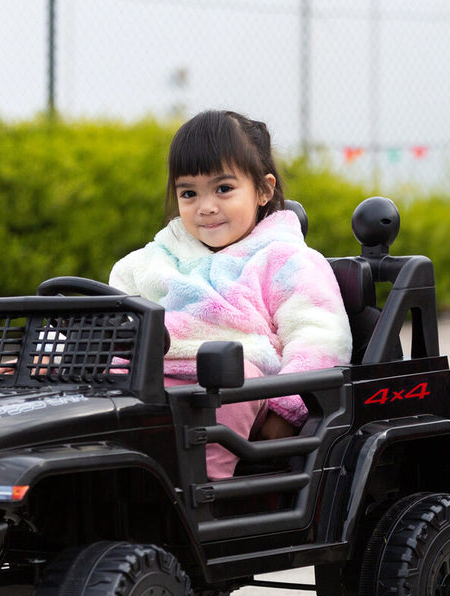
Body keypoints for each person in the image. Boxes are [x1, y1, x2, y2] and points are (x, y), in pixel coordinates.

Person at [109, 110, 352, 479]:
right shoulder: (152, 262)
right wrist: (57, 353)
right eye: (189, 193)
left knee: (237, 381)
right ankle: (108, 475)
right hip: (152, 382)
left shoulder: (285, 260)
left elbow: (319, 339)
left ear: (264, 190)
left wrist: (288, 410)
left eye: (223, 189)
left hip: (234, 395)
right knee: (96, 383)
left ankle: (200, 492)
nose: (205, 207)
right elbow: (110, 316)